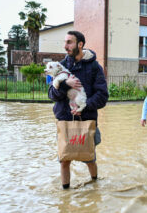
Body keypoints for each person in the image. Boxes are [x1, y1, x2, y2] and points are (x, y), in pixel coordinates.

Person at [48, 31, 108, 189]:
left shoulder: (95, 67)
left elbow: (103, 96)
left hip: (86, 121)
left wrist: (85, 106)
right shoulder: (59, 66)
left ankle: (96, 185)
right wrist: (65, 84)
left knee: (89, 158)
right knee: (64, 159)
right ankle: (65, 193)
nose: (65, 46)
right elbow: (51, 94)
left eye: (69, 42)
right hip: (64, 122)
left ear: (80, 44)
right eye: (65, 42)